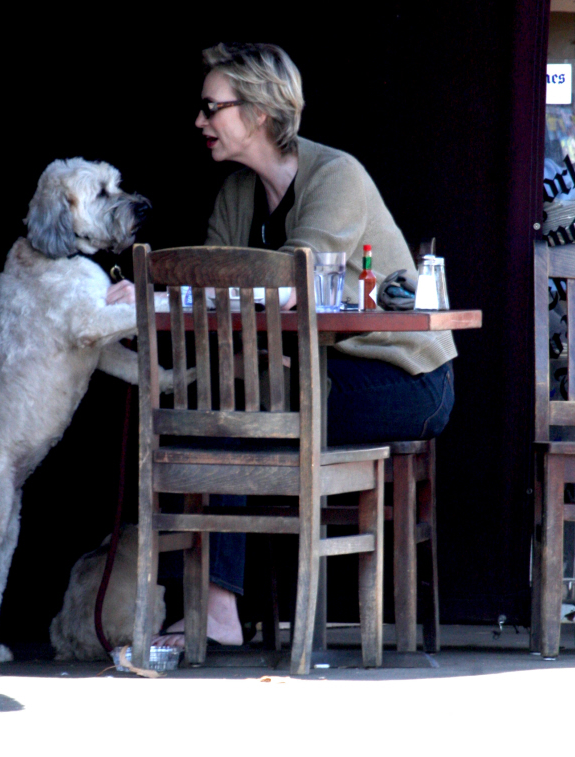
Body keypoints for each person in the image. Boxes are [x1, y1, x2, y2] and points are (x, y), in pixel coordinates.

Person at [156, 42, 457, 647]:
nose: (200, 121)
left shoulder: (335, 176)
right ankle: (208, 604)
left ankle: (216, 607)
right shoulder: (236, 195)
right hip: (311, 373)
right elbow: (214, 283)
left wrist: (177, 286)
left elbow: (294, 284)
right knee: (210, 406)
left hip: (401, 378)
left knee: (242, 406)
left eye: (211, 108)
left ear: (259, 113)